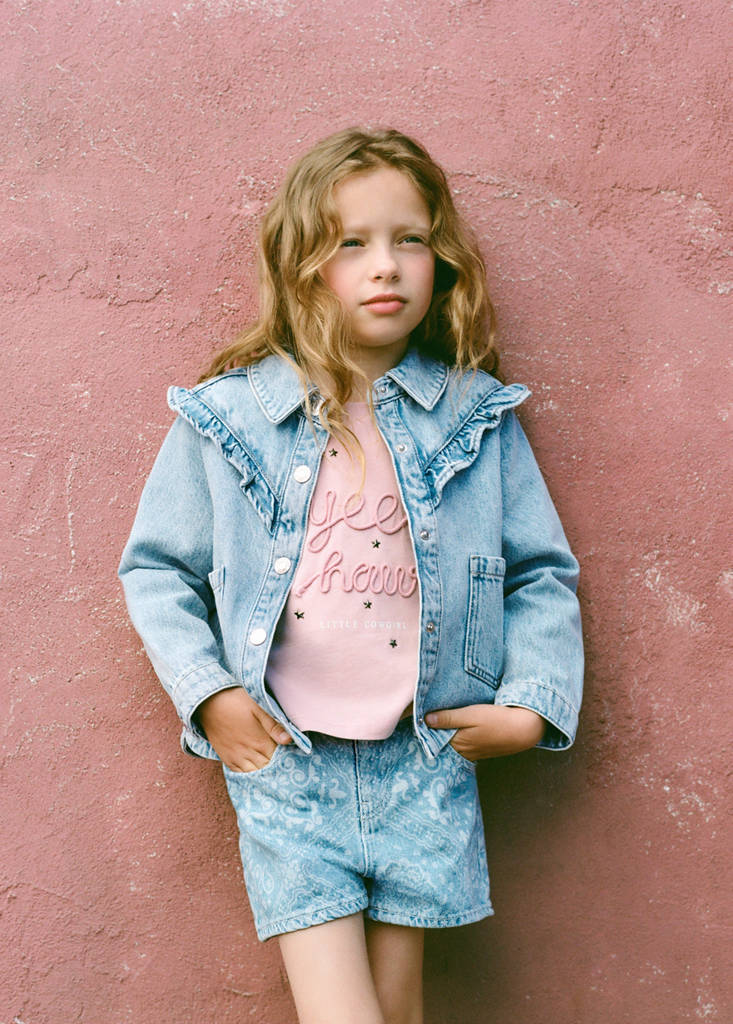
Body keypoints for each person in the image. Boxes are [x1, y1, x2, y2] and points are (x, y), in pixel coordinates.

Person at [118, 127, 583, 1024]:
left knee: (400, 1010)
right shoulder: (231, 416)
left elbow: (538, 572)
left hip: (426, 755)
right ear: (299, 264)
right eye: (349, 243)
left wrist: (531, 705)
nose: (385, 266)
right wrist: (210, 695)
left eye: (410, 239)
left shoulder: (475, 417)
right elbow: (156, 568)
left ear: (441, 260)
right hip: (286, 761)